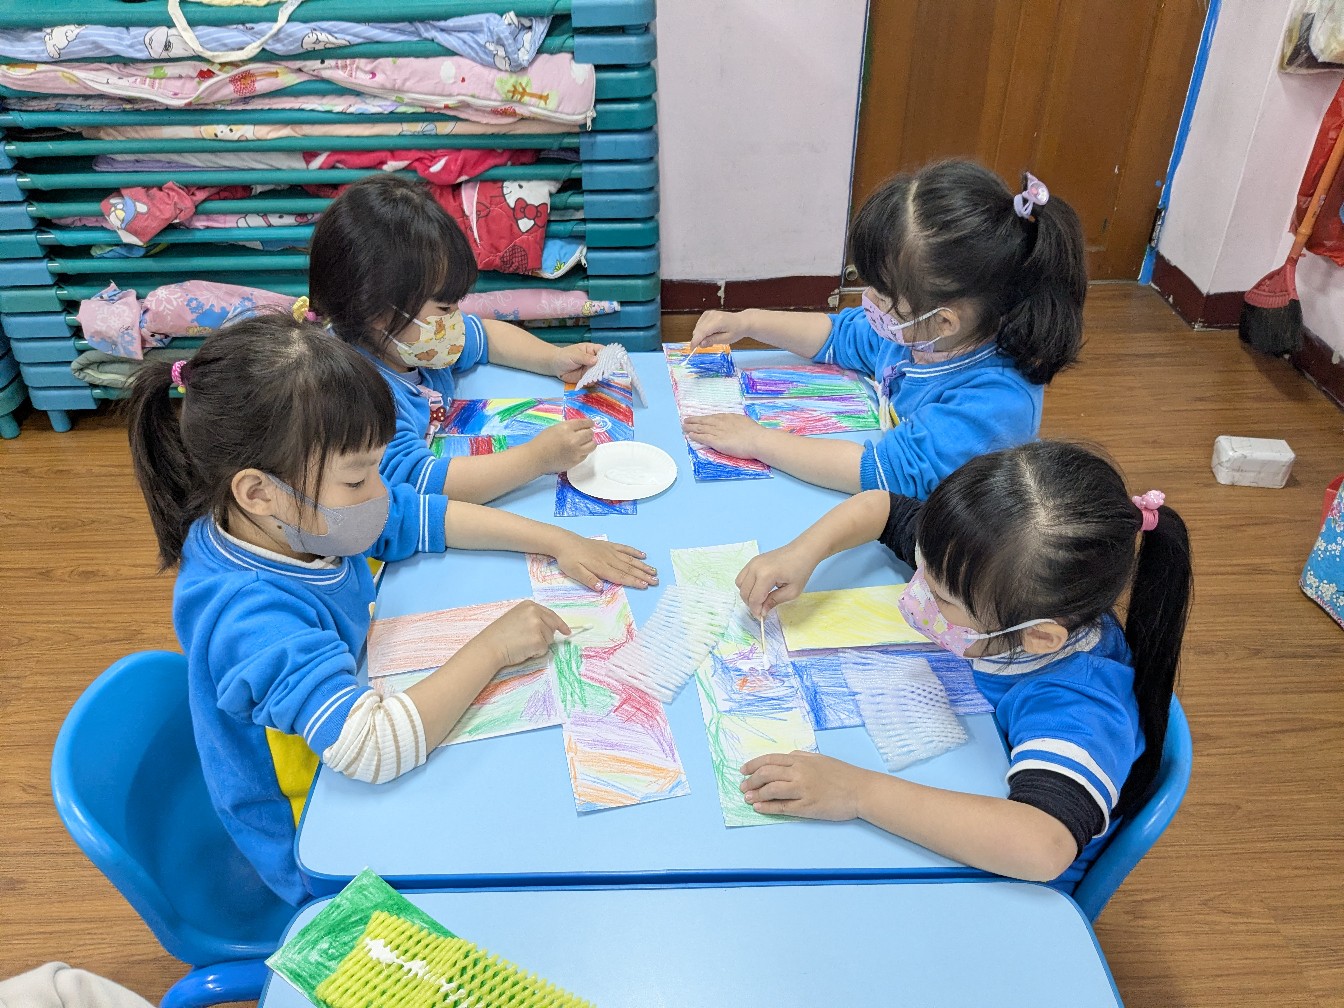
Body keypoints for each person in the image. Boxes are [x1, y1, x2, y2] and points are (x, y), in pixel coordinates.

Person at [125, 312, 656, 903]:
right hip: (314, 842)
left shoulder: (294, 518)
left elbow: (416, 515)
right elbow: (372, 748)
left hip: (353, 724)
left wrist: (556, 540)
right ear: (257, 491)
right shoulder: (248, 615)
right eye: (358, 481)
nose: (379, 493)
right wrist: (494, 647)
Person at [734, 441, 1191, 885]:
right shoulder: (978, 563)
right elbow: (882, 507)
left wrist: (857, 792)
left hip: (1001, 880)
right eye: (922, 567)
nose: (918, 591)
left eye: (942, 598)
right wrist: (800, 553)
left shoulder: (1077, 701)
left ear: (1038, 636)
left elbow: (1042, 847)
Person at [685, 160, 1086, 498]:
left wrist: (758, 441)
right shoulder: (919, 334)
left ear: (945, 320)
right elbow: (839, 336)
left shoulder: (993, 402)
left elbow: (882, 472)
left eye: (883, 294)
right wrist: (748, 322)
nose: (868, 301)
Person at [309, 174, 601, 504]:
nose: (455, 319)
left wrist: (553, 359)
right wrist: (538, 459)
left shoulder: (410, 342)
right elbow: (426, 484)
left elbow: (486, 335)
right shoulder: (360, 399)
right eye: (445, 307)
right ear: (378, 312)